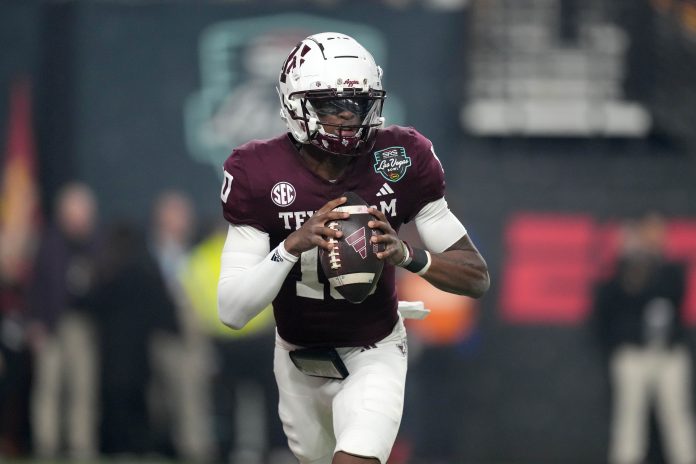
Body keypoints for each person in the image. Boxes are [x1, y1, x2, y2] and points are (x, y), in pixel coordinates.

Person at [216, 32, 490, 464]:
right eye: (331, 105)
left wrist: (407, 255)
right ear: (295, 104)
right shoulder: (257, 171)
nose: (347, 116)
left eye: (358, 105)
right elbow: (232, 311)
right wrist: (291, 245)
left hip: (373, 349)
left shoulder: (400, 157)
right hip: (297, 359)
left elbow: (475, 275)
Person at [593, 212, 696, 464]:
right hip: (633, 353)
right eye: (648, 232)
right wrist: (629, 260)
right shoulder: (622, 271)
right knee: (629, 418)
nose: (653, 238)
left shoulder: (670, 270)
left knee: (678, 416)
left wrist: (651, 262)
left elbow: (671, 295)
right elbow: (610, 306)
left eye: (658, 233)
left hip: (669, 354)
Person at [26, 182, 101, 460]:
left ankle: (81, 446)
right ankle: (45, 445)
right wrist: (34, 323)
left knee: (82, 388)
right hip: (50, 323)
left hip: (82, 325)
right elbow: (35, 287)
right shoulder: (48, 243)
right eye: (73, 211)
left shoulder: (96, 244)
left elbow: (103, 288)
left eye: (83, 211)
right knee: (48, 386)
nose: (78, 217)